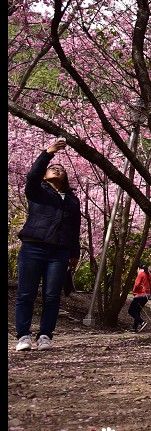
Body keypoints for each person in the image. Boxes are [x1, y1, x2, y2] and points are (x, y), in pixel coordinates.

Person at [15, 139, 83, 351]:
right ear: (45, 175)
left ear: (65, 177)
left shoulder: (73, 201)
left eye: (60, 169)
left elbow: (75, 228)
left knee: (52, 295)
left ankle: (45, 335)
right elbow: (32, 176)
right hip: (32, 248)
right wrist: (48, 154)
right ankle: (23, 336)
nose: (56, 169)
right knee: (26, 293)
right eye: (52, 169)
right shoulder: (38, 192)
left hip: (59, 252)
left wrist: (74, 254)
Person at [128, 264, 151, 333]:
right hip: (146, 295)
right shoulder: (148, 274)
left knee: (131, 311)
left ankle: (142, 322)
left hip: (140, 295)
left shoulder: (141, 274)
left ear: (139, 268)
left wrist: (134, 292)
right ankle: (134, 328)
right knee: (137, 311)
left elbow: (136, 284)